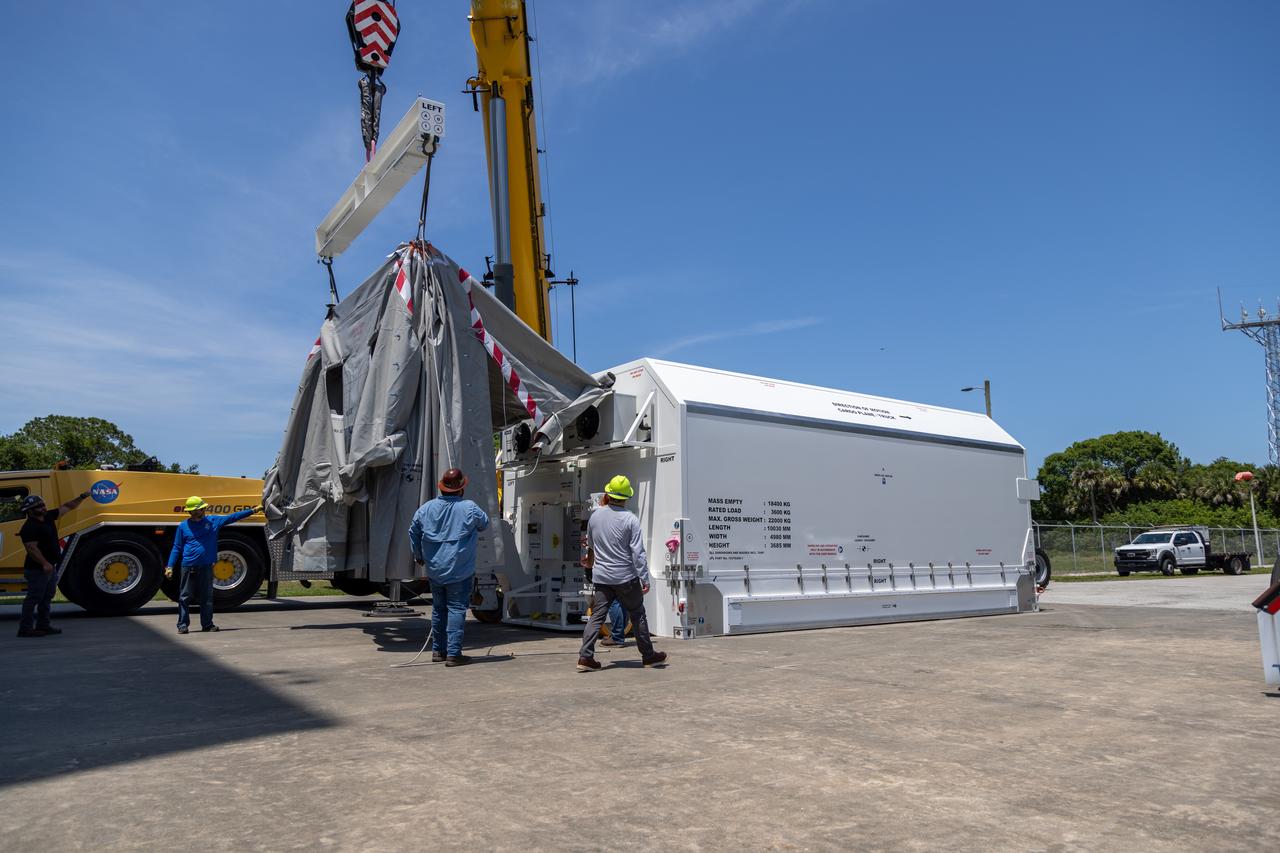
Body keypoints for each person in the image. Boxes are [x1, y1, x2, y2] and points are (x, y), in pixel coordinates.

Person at [577, 475, 667, 671]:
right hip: (625, 577)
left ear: (608, 493)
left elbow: (591, 547)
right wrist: (645, 577)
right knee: (637, 614)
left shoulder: (595, 516)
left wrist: (590, 565)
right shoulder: (630, 519)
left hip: (601, 578)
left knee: (597, 617)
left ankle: (585, 657)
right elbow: (638, 552)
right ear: (627, 497)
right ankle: (649, 656)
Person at [408, 467, 490, 667]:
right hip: (459, 569)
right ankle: (453, 653)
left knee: (438, 610)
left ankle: (438, 651)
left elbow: (413, 531)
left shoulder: (426, 508)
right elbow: (484, 524)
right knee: (456, 609)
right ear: (461, 489)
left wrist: (418, 555)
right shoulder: (469, 507)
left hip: (435, 569)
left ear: (442, 488)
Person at [165, 496, 259, 635]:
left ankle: (207, 625)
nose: (203, 510)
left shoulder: (213, 521)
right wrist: (170, 566)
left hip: (206, 566)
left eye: (203, 508)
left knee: (206, 597)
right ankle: (182, 625)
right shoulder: (183, 526)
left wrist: (253, 511)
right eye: (200, 508)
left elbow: (233, 517)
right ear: (192, 511)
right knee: (185, 596)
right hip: (188, 566)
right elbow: (177, 547)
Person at [17, 491, 90, 637]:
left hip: (50, 567)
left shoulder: (48, 517)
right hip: (37, 569)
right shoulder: (29, 527)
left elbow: (68, 507)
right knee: (34, 597)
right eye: (38, 507)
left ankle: (43, 625)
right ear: (29, 511)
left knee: (46, 597)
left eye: (42, 505)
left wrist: (82, 496)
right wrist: (44, 563)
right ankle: (25, 628)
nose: (42, 508)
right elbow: (32, 548)